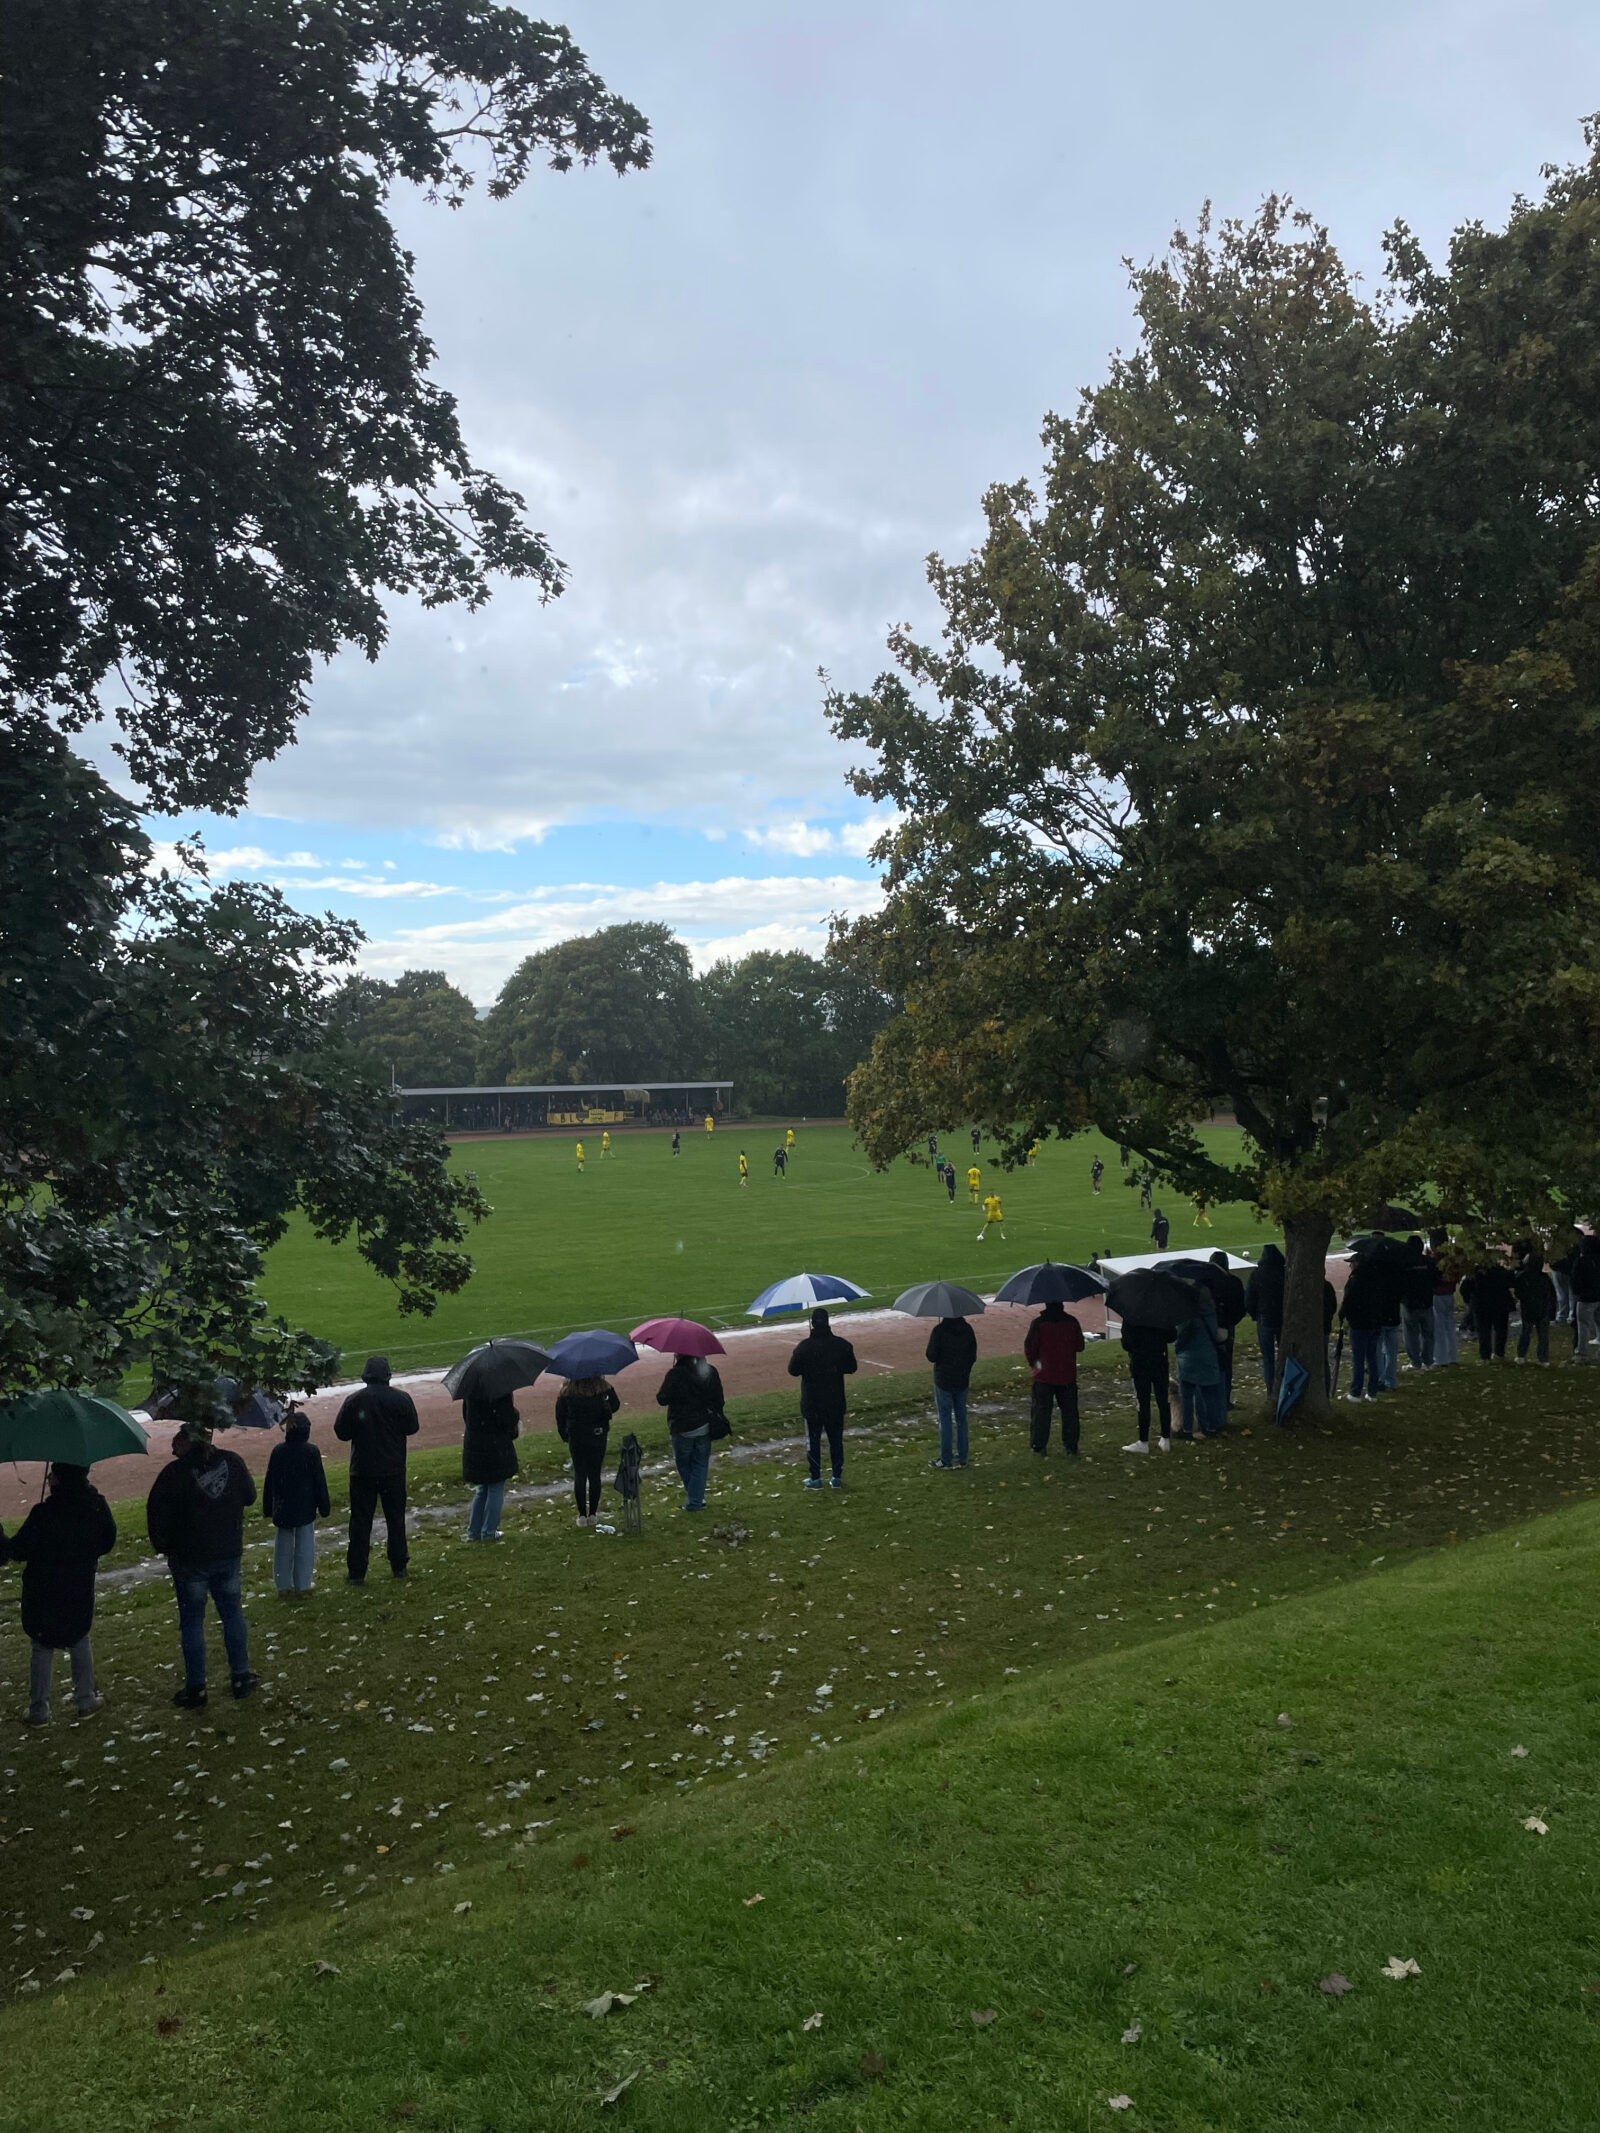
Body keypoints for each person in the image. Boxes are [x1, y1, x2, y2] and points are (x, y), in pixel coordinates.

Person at [146, 1416, 258, 1707]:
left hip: (190, 1558)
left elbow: (156, 1513)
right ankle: (240, 1676)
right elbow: (249, 1496)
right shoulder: (232, 1462)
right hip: (227, 1551)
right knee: (232, 1614)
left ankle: (196, 1686)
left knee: (192, 1622)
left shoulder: (174, 1473)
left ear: (187, 1441)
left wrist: (164, 1546)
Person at [0, 1463, 116, 1724]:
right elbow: (108, 1539)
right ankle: (85, 1699)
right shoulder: (95, 1506)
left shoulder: (44, 1513)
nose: (49, 1477)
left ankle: (39, 1710)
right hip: (79, 1585)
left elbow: (17, 1550)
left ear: (60, 1479)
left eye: (52, 1474)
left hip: (43, 1589)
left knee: (42, 1645)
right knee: (79, 1636)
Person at [334, 1355, 418, 1582]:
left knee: (360, 1522)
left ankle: (356, 1572)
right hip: (393, 1468)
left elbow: (341, 1432)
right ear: (388, 1376)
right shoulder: (401, 1399)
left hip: (363, 1470)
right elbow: (412, 1427)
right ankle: (399, 1565)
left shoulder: (354, 1400)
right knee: (395, 1519)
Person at [788, 1307, 857, 1489]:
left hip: (812, 1403)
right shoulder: (842, 1345)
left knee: (813, 1441)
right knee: (836, 1440)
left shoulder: (804, 1347)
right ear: (828, 1322)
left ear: (812, 1323)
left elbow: (793, 1370)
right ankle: (836, 1476)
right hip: (835, 1400)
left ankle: (816, 1478)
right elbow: (852, 1367)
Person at [262, 1407, 329, 1596]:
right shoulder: (311, 1451)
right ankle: (303, 1584)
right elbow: (319, 1481)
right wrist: (324, 1506)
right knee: (305, 1545)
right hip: (305, 1505)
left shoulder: (278, 1451)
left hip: (282, 1505)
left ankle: (283, 1585)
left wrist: (268, 1507)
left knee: (283, 1545)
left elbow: (269, 1481)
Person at [656, 1352, 726, 1511]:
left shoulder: (675, 1374)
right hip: (704, 1425)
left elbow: (662, 1398)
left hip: (682, 1426)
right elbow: (719, 1400)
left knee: (684, 1464)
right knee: (700, 1464)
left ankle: (695, 1501)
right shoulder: (710, 1371)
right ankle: (696, 1499)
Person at [555, 1375, 619, 1528]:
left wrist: (565, 1435)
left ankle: (582, 1514)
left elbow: (560, 1416)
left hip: (577, 1437)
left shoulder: (567, 1392)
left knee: (580, 1474)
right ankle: (593, 1514)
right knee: (595, 1474)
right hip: (598, 1435)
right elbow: (615, 1405)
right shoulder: (602, 1388)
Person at [1025, 1299, 1085, 1455]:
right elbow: (1080, 1346)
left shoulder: (1039, 1324)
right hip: (1067, 1374)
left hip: (1044, 1376)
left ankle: (1039, 1445)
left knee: (1041, 1411)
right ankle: (1071, 1446)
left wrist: (1036, 1365)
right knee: (1070, 1412)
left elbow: (1030, 1348)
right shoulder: (1072, 1322)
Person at [462, 1389, 520, 1541]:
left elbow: (466, 1416)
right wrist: (515, 1414)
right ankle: (489, 1531)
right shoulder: (499, 1391)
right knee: (495, 1488)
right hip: (495, 1444)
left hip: (476, 1442)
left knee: (482, 1489)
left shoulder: (471, 1389)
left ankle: (474, 1531)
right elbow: (507, 1418)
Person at [925, 1312, 977, 1468]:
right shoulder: (967, 1329)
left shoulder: (939, 1331)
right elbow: (972, 1356)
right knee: (961, 1419)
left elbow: (931, 1356)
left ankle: (946, 1459)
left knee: (945, 1419)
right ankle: (963, 1457)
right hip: (962, 1379)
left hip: (943, 1380)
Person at [1174, 1285, 1226, 1435]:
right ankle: (1209, 1426)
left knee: (1187, 1396)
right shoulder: (1211, 1313)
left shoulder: (1187, 1316)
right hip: (1208, 1357)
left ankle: (1187, 1428)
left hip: (1188, 1359)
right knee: (1208, 1395)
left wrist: (1178, 1349)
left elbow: (1179, 1336)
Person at [1339, 1253, 1389, 1400]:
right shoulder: (1375, 1278)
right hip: (1373, 1323)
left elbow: (1348, 1301)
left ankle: (1356, 1391)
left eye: (1352, 1263)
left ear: (1357, 1264)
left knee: (1359, 1359)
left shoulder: (1355, 1280)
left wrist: (1343, 1315)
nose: (1350, 1265)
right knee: (1372, 1358)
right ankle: (1372, 1391)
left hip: (1359, 1324)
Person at [1120, 1322, 1173, 1453]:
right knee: (1163, 1400)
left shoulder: (1132, 1318)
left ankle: (1143, 1441)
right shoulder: (1161, 1315)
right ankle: (1165, 1438)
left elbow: (1126, 1344)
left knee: (1143, 1402)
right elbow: (1172, 1336)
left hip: (1140, 1363)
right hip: (1160, 1361)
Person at [1208, 1251, 1247, 1406]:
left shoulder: (1207, 1283)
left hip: (1210, 1328)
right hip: (1227, 1327)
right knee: (1226, 1363)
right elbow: (1241, 1307)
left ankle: (1212, 1398)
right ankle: (1224, 1399)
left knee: (1210, 1362)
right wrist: (1231, 1322)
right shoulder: (1234, 1282)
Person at [1244, 1242, 1285, 1390]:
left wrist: (1255, 1315)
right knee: (1284, 1357)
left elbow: (1249, 1298)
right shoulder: (1284, 1273)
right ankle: (1284, 1388)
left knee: (1268, 1359)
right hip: (1281, 1318)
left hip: (1265, 1318)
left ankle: (1271, 1390)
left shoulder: (1257, 1274)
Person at [1464, 1259, 1514, 1362]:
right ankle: (1499, 1353)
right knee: (1501, 1330)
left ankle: (1485, 1356)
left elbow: (1465, 1288)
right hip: (1500, 1304)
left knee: (1483, 1331)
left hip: (1481, 1304)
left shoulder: (1476, 1273)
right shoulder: (1502, 1271)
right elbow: (1512, 1282)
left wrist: (1469, 1300)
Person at [1398, 1236, 1435, 1370]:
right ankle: (1428, 1360)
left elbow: (1400, 1283)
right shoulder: (1428, 1262)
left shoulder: (1403, 1263)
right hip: (1426, 1301)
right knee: (1428, 1333)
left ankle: (1415, 1361)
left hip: (1410, 1303)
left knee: (1411, 1334)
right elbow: (1436, 1279)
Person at [1514, 1247, 1553, 1364]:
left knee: (1526, 1332)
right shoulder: (1545, 1278)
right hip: (1542, 1308)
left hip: (1528, 1308)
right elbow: (1550, 1294)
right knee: (1543, 1335)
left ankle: (1521, 1355)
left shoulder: (1522, 1277)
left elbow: (1518, 1293)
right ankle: (1543, 1359)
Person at [1428, 1232, 1459, 1366]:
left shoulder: (1435, 1259)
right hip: (1449, 1293)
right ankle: (1452, 1356)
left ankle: (1441, 1358)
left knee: (1438, 1327)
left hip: (1437, 1294)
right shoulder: (1451, 1259)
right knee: (1449, 1325)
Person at [1570, 1234, 1600, 1360]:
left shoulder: (1581, 1261)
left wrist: (1578, 1292)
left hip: (1586, 1297)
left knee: (1583, 1325)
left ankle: (1581, 1353)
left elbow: (1576, 1281)